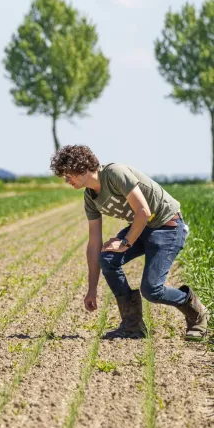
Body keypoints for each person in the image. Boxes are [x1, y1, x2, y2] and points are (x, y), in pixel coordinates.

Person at [50, 145, 208, 341]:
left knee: (152, 290)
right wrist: (92, 289)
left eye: (68, 175)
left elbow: (144, 211)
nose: (66, 181)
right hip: (141, 228)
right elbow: (94, 243)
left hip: (167, 227)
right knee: (107, 258)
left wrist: (124, 243)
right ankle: (132, 325)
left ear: (81, 168)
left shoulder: (115, 173)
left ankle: (196, 311)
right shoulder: (90, 197)